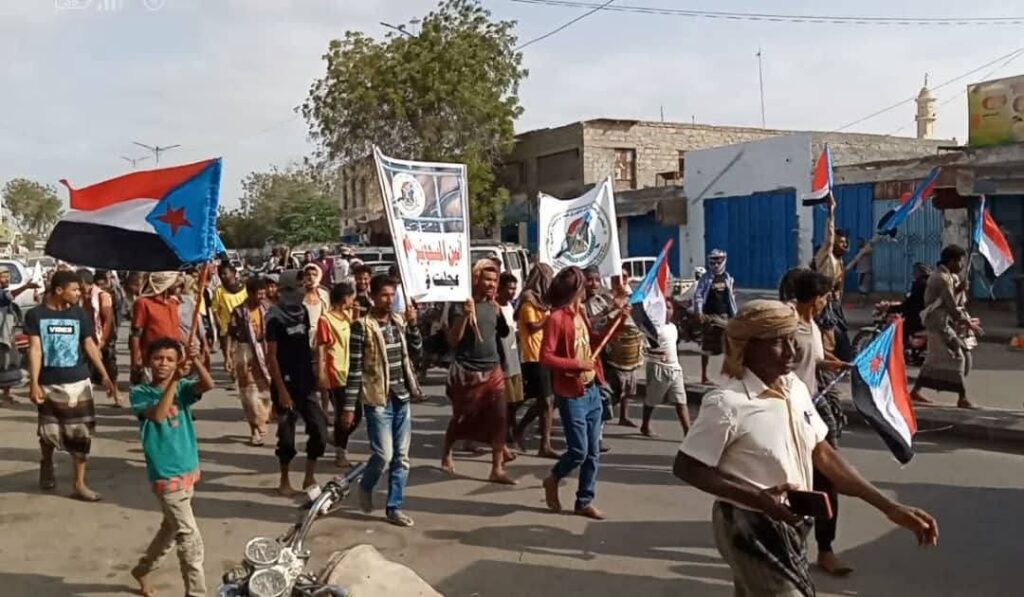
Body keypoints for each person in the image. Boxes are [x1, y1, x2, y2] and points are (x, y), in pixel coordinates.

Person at [673, 299, 938, 596]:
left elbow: (823, 454)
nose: (792, 351)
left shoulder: (794, 389)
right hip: (748, 524)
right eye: (778, 342)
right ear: (748, 346)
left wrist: (889, 507)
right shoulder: (727, 403)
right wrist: (759, 499)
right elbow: (687, 467)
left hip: (791, 521)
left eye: (792, 339)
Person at [129, 338, 214, 597]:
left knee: (169, 530)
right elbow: (158, 415)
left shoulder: (184, 388)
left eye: (170, 360)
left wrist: (195, 359)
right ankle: (196, 593)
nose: (163, 364)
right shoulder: (140, 393)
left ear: (178, 363)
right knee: (190, 539)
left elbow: (208, 384)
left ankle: (143, 569)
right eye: (158, 358)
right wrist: (175, 380)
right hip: (166, 475)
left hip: (187, 469)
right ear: (148, 361)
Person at [27, 270, 119, 502]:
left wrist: (105, 375)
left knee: (81, 435)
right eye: (75, 290)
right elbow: (35, 350)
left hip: (78, 383)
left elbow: (89, 345)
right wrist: (34, 383)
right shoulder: (36, 315)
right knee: (48, 432)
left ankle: (79, 483)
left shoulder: (79, 314)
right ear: (59, 290)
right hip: (49, 384)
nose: (80, 293)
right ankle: (47, 463)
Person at [788, 270, 853, 576]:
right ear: (815, 299)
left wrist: (835, 363)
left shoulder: (812, 324)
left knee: (828, 481)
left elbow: (812, 360)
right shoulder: (786, 325)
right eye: (825, 297)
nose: (828, 302)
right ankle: (791, 549)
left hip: (813, 411)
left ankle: (826, 550)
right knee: (794, 484)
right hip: (788, 415)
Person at [346, 273, 422, 527]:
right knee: (384, 455)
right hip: (378, 399)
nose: (389, 300)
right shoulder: (362, 327)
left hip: (401, 397)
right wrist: (349, 406)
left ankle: (394, 507)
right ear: (373, 296)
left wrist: (413, 325)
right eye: (384, 295)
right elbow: (355, 369)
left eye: (392, 295)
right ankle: (366, 485)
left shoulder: (399, 322)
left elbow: (417, 353)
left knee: (402, 457)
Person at [540, 266, 607, 520]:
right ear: (575, 289)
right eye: (584, 283)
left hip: (592, 390)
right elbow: (545, 357)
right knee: (579, 451)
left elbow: (592, 342)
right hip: (572, 394)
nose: (589, 286)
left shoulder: (580, 314)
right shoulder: (556, 318)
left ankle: (584, 501)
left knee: (593, 452)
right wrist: (577, 364)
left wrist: (618, 322)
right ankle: (554, 477)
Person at [442, 260, 516, 484]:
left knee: (500, 417)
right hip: (468, 372)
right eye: (488, 280)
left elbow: (503, 333)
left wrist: (499, 311)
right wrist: (465, 316)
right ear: (476, 280)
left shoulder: (493, 306)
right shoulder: (462, 305)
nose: (492, 284)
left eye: (495, 280)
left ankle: (497, 469)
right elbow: (453, 340)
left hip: (493, 369)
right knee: (462, 418)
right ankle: (447, 451)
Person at [266, 270, 328, 496]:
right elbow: (271, 356)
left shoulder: (303, 312)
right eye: (298, 286)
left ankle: (309, 475)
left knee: (320, 431)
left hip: (306, 382)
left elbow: (306, 346)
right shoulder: (273, 317)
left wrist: (318, 370)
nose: (303, 290)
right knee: (287, 437)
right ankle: (284, 479)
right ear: (287, 290)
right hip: (286, 383)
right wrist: (281, 390)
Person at [910, 245, 982, 409]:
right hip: (939, 324)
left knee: (933, 359)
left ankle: (915, 391)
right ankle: (962, 398)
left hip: (939, 322)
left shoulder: (946, 276)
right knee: (958, 357)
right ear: (951, 262)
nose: (962, 266)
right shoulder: (941, 278)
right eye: (960, 261)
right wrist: (967, 322)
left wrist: (959, 289)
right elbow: (951, 305)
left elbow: (949, 299)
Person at [583, 266, 641, 428]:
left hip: (607, 350)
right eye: (590, 280)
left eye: (597, 280)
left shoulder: (604, 299)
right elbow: (589, 325)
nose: (594, 284)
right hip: (590, 352)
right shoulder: (580, 303)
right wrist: (610, 311)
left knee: (616, 389)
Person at [512, 263, 558, 458]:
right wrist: (549, 317)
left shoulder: (545, 302)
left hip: (547, 354)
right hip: (533, 355)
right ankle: (542, 443)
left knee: (545, 400)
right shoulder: (528, 300)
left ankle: (520, 430)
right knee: (545, 400)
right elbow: (532, 327)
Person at [227, 277, 272, 446]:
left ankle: (263, 419)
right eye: (259, 294)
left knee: (267, 391)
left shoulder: (268, 309)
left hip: (265, 351)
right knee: (249, 394)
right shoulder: (239, 312)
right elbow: (230, 334)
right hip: (245, 353)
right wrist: (229, 356)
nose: (262, 297)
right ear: (250, 293)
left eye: (263, 293)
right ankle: (254, 429)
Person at [317, 282, 358, 467]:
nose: (353, 300)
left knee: (356, 413)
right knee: (344, 413)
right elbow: (321, 348)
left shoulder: (347, 317)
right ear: (344, 298)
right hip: (335, 372)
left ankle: (337, 437)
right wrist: (321, 372)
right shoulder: (325, 319)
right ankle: (341, 452)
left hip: (350, 371)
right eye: (351, 297)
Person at [640, 300, 691, 438]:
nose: (666, 311)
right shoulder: (654, 328)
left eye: (669, 308)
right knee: (652, 400)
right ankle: (645, 425)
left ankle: (688, 432)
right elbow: (645, 347)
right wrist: (657, 354)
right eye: (663, 308)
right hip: (658, 367)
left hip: (675, 368)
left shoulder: (673, 328)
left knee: (681, 401)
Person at [814, 193, 854, 362]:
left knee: (843, 344)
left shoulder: (840, 261)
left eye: (845, 242)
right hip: (823, 308)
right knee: (827, 343)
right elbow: (829, 238)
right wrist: (831, 210)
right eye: (841, 242)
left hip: (834, 307)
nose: (844, 245)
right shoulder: (826, 256)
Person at [694, 249, 738, 385]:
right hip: (709, 316)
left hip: (724, 316)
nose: (716, 263)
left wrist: (734, 315)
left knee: (729, 345)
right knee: (707, 347)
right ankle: (704, 376)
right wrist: (699, 312)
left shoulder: (728, 278)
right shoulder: (706, 278)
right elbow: (698, 295)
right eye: (713, 260)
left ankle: (729, 375)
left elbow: (731, 298)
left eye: (719, 260)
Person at [131, 272, 183, 385]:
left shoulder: (173, 303)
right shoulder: (143, 303)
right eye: (174, 283)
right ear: (165, 284)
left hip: (172, 359)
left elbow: (176, 330)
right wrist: (135, 360)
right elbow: (136, 334)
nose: (177, 286)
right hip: (152, 360)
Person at [79, 269, 120, 406]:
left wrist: (102, 341)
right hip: (86, 336)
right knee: (87, 367)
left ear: (83, 282)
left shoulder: (102, 295)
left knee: (109, 365)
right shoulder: (81, 296)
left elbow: (108, 319)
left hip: (102, 336)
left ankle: (116, 393)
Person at [496, 272, 525, 449]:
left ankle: (511, 430)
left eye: (515, 288)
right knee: (505, 402)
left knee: (515, 401)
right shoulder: (495, 308)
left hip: (514, 358)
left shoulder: (510, 307)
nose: (512, 292)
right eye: (509, 288)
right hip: (503, 360)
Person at [0, 267, 36, 405]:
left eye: (7, 276)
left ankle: (6, 394)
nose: (7, 279)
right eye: (3, 276)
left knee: (8, 365)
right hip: (2, 336)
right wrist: (25, 287)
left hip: (6, 335)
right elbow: (9, 296)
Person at [211, 263, 247, 376]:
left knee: (240, 349)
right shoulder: (219, 291)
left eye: (225, 273)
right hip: (226, 325)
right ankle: (232, 367)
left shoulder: (244, 288)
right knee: (230, 351)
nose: (223, 276)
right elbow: (215, 309)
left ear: (233, 273)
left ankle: (238, 369)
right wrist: (219, 323)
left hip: (241, 325)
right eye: (221, 274)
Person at [851, 238, 874, 306]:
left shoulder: (866, 250)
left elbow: (856, 260)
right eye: (858, 242)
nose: (859, 243)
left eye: (860, 242)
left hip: (864, 272)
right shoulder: (862, 251)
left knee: (863, 288)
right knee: (862, 287)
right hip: (862, 271)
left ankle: (862, 303)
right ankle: (862, 302)